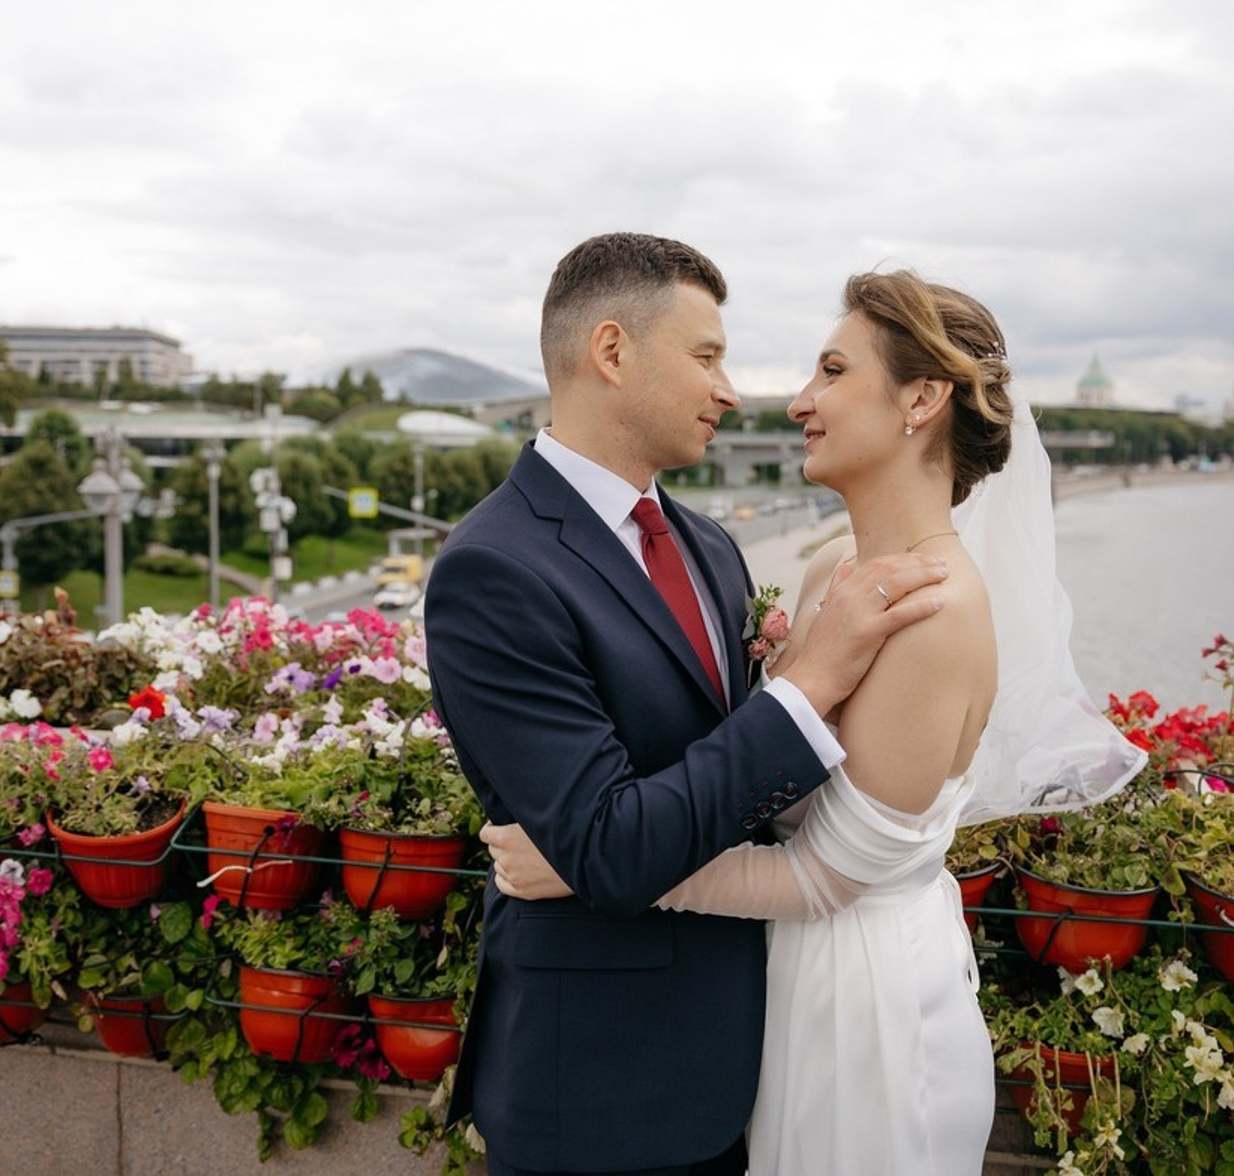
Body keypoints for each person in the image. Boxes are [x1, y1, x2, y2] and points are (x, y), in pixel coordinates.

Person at [485, 268, 1145, 1174]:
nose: (799, 400)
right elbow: (748, 763)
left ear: (921, 397)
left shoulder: (937, 610)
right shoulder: (833, 567)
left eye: (832, 371)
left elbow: (824, 878)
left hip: (863, 1007)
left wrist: (580, 862)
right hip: (767, 995)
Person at [423, 236, 951, 1176]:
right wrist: (808, 682)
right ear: (613, 352)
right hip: (600, 1089)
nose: (734, 390)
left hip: (757, 1054)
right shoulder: (493, 570)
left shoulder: (710, 547)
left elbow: (743, 783)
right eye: (707, 356)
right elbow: (611, 848)